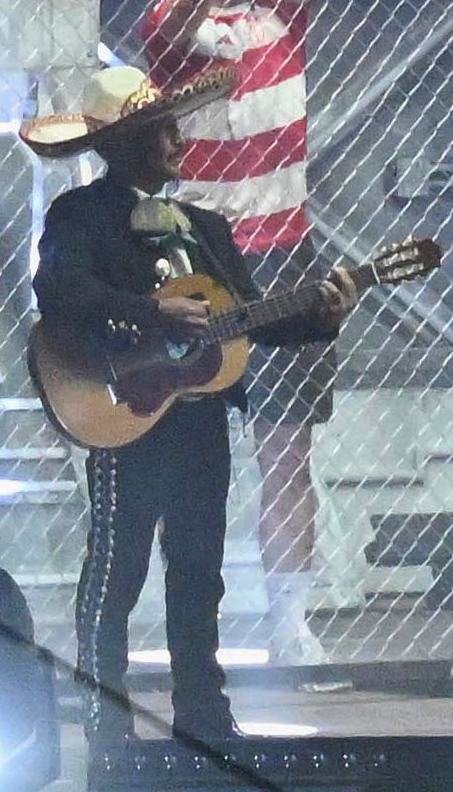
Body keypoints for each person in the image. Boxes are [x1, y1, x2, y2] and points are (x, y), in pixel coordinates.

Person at [30, 62, 342, 743]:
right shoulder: (79, 217)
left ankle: (204, 713)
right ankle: (103, 717)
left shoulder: (203, 226)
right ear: (121, 143)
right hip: (126, 412)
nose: (177, 140)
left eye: (173, 126)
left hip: (198, 420)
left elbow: (247, 318)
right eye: (161, 129)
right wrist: (150, 310)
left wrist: (321, 314)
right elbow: (62, 295)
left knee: (199, 571)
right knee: (118, 565)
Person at [135, 0, 328, 668]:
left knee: (288, 450)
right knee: (194, 454)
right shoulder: (169, 30)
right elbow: (186, 5)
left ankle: (292, 623)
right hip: (198, 267)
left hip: (283, 252)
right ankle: (193, 624)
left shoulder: (278, 22)